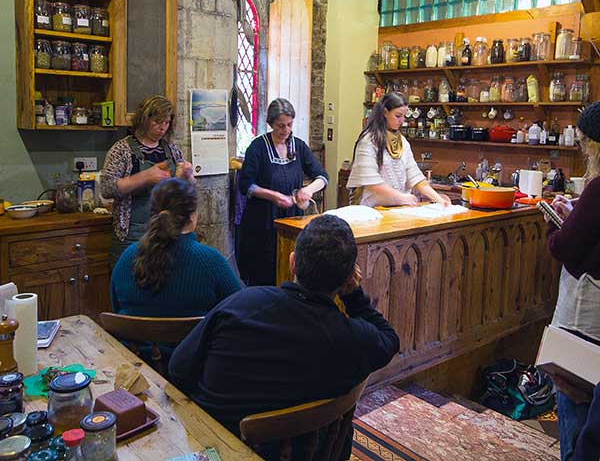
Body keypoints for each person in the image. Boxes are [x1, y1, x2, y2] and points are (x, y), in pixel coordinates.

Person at [169, 214, 399, 459]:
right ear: (347, 281)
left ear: (292, 262)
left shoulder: (243, 303)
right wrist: (354, 297)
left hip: (215, 448)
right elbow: (389, 340)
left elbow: (178, 369)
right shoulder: (351, 338)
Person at [544, 101, 600, 461]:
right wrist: (575, 214)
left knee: (574, 393)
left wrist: (553, 221)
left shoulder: (598, 189)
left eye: (583, 143)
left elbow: (564, 247)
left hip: (586, 311)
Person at [111, 178, 242, 317]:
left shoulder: (127, 258)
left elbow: (115, 308)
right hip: (195, 339)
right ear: (192, 217)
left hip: (132, 339)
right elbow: (241, 310)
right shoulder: (210, 262)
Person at [238, 98, 328, 285]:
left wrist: (308, 190)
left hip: (292, 221)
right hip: (262, 223)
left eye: (289, 125)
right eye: (280, 126)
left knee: (289, 272)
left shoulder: (299, 146)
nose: (285, 130)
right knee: (264, 276)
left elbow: (322, 177)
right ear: (270, 124)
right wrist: (273, 196)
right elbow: (245, 184)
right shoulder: (258, 147)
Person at [101, 95, 194, 266]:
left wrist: (187, 177)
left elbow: (185, 192)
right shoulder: (121, 150)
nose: (162, 128)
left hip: (166, 233)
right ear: (144, 119)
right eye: (158, 122)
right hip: (131, 236)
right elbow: (106, 188)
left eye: (166, 122)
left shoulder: (172, 150)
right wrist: (145, 177)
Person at [347, 92, 450, 207]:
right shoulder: (368, 141)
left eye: (404, 116)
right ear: (385, 112)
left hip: (397, 208)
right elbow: (372, 182)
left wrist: (438, 198)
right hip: (372, 210)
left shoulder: (403, 142)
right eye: (398, 116)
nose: (402, 121)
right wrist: (401, 197)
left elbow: (415, 177)